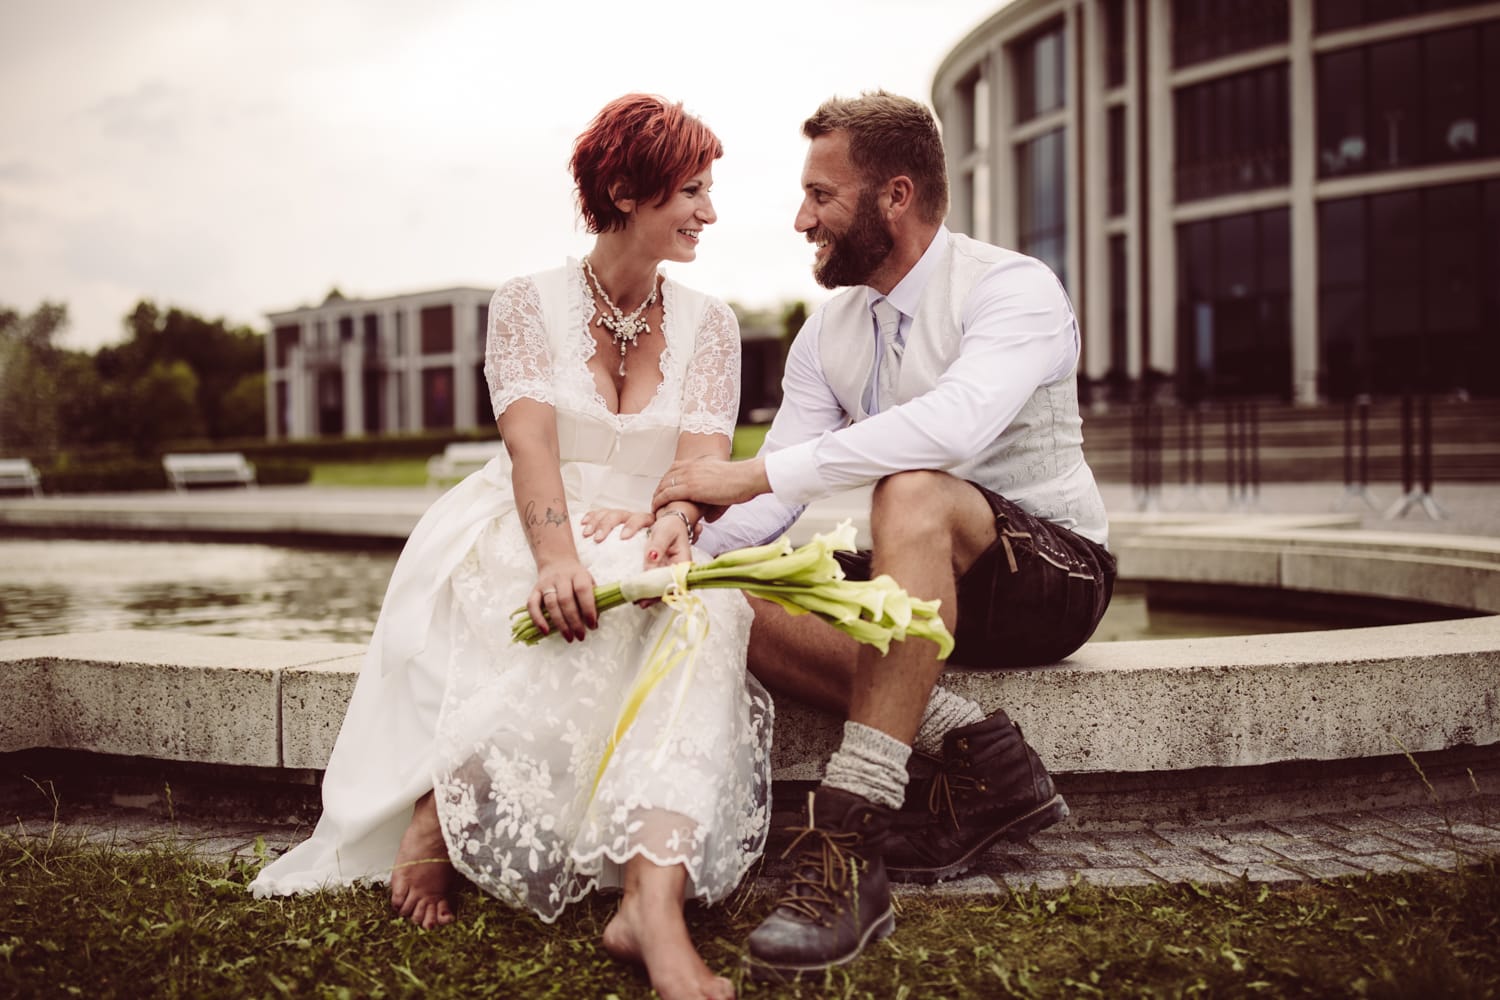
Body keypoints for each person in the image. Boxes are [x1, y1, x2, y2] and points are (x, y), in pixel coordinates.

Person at [250, 94, 771, 1000]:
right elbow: (531, 452)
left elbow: (701, 462)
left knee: (706, 602)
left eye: (709, 191)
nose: (710, 213)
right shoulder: (526, 304)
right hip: (525, 523)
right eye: (691, 191)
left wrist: (671, 527)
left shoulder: (713, 326)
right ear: (623, 188)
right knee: (591, 592)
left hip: (647, 523)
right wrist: (558, 558)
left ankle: (652, 899)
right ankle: (437, 810)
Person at [650, 91, 1114, 981]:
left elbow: (952, 430)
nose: (801, 219)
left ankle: (851, 839)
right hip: (920, 577)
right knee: (722, 586)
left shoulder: (1014, 289)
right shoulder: (831, 328)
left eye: (822, 196)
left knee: (912, 490)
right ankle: (983, 756)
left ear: (894, 197)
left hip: (1049, 575)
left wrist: (746, 472)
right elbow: (777, 495)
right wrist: (678, 552)